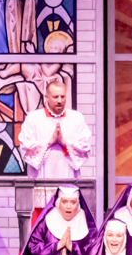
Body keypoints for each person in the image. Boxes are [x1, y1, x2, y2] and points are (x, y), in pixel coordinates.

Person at [16, 79, 92, 222]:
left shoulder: (76, 118)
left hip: (68, 184)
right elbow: (25, 148)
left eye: (62, 96)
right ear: (46, 97)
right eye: (55, 97)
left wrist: (64, 143)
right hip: (42, 186)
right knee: (41, 228)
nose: (59, 100)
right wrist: (49, 142)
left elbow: (85, 147)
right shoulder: (33, 118)